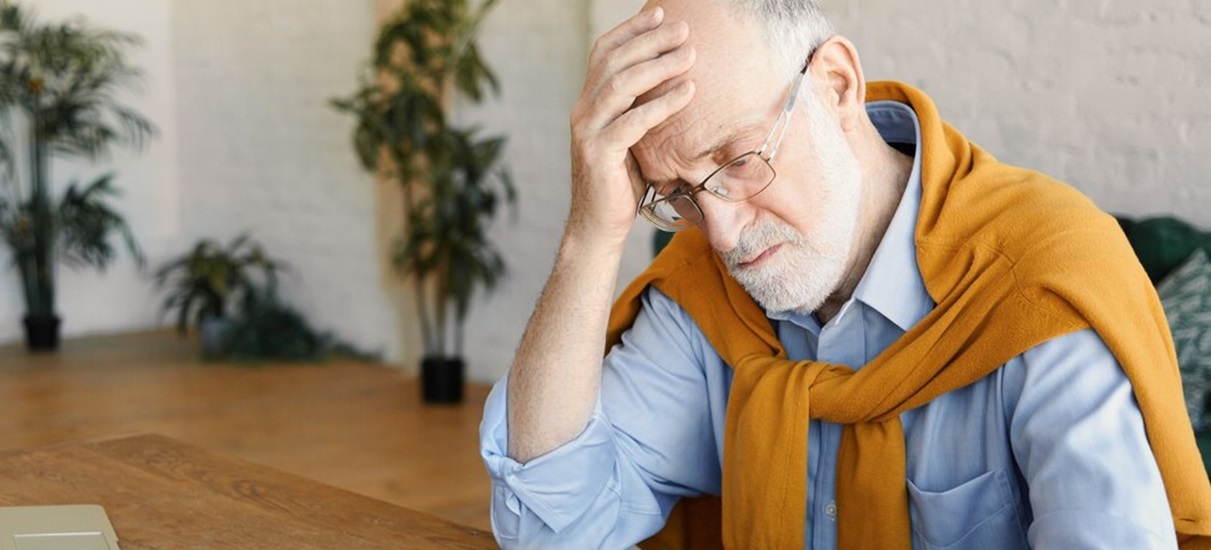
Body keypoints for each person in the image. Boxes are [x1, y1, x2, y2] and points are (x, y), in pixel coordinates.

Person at [479, 0, 1211, 548]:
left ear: (834, 85)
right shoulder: (704, 289)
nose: (724, 233)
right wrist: (590, 235)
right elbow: (550, 529)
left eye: (739, 161)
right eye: (678, 196)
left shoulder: (1038, 288)